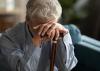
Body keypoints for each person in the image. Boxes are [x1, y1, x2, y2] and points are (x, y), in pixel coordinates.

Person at [0, 0, 77, 71]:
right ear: (27, 19)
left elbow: (67, 67)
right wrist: (34, 44)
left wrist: (63, 37)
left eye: (50, 26)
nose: (47, 31)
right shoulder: (8, 39)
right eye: (40, 27)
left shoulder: (60, 32)